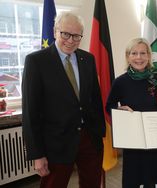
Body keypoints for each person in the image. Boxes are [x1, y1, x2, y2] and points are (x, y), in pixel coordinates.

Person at [22, 12, 105, 188]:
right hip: (55, 143)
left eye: (76, 35)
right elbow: (31, 113)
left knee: (92, 184)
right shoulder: (36, 61)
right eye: (65, 34)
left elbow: (95, 100)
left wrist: (100, 133)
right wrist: (37, 154)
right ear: (55, 31)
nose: (70, 40)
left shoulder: (87, 59)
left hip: (89, 138)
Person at [106, 38, 157, 188]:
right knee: (132, 182)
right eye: (134, 53)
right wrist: (120, 110)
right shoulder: (120, 82)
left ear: (149, 56)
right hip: (132, 141)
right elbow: (109, 106)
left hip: (153, 140)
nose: (139, 57)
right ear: (128, 56)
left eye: (143, 53)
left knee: (150, 182)